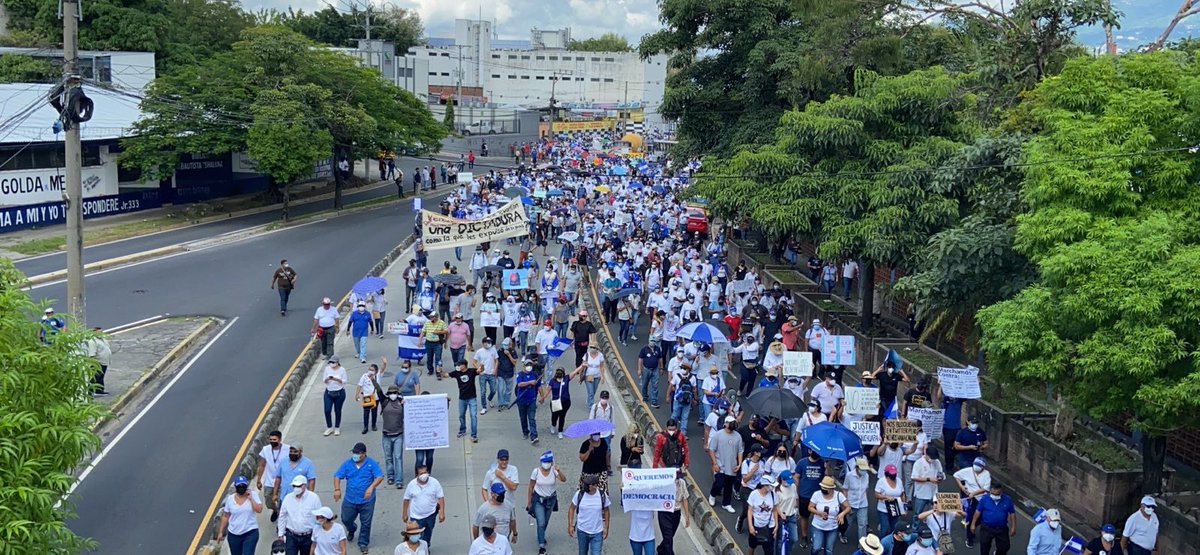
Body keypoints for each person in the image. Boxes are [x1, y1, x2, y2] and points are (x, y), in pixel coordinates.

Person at [333, 442, 384, 554]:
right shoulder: (347, 464)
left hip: (367, 501)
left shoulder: (371, 464)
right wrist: (337, 489)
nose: (355, 455)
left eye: (358, 453)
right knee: (346, 519)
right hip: (350, 499)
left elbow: (379, 476)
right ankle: (352, 529)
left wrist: (371, 488)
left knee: (366, 522)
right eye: (354, 452)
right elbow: (337, 476)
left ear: (364, 454)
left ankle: (363, 543)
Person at [527, 451, 567, 555]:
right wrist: (529, 502)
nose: (546, 464)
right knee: (541, 522)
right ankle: (541, 545)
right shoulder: (536, 472)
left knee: (546, 521)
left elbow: (563, 480)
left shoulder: (554, 471)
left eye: (548, 461)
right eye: (544, 461)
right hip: (539, 500)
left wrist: (559, 471)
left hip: (551, 500)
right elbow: (531, 486)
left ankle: (541, 535)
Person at [216, 476, 263, 555]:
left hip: (250, 532)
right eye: (239, 487)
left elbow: (259, 510)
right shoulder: (230, 499)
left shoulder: (253, 495)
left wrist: (251, 499)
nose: (241, 488)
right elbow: (226, 515)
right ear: (236, 487)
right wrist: (221, 532)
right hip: (234, 534)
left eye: (243, 486)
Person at [277, 475, 322, 555]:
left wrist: (317, 535)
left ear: (305, 485)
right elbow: (282, 516)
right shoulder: (288, 498)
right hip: (291, 536)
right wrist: (280, 533)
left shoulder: (314, 498)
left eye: (298, 486)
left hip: (308, 537)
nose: (296, 488)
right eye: (294, 486)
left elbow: (319, 518)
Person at [402, 466, 445, 548]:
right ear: (417, 475)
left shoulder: (435, 483)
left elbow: (441, 497)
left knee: (428, 533)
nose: (424, 475)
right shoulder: (411, 485)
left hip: (431, 514)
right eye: (421, 473)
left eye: (425, 473)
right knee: (417, 536)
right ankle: (418, 550)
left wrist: (442, 512)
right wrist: (404, 514)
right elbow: (406, 499)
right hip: (416, 516)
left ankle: (426, 547)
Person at [567, 474, 610, 555]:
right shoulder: (579, 494)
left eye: (588, 485)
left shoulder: (602, 495)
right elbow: (572, 508)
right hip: (582, 531)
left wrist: (606, 527)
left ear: (595, 485)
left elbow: (606, 511)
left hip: (597, 532)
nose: (586, 487)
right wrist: (570, 525)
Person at [953, 456, 991, 548]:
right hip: (970, 499)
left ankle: (972, 526)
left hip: (981, 499)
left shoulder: (986, 474)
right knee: (970, 517)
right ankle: (969, 538)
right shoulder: (968, 471)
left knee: (981, 518)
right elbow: (956, 476)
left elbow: (985, 488)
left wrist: (974, 493)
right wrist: (962, 487)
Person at [969, 482, 1016, 555]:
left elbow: (1012, 513)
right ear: (990, 491)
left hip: (1001, 528)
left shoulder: (1007, 499)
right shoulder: (985, 499)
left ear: (1001, 492)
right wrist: (973, 524)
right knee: (984, 547)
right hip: (987, 528)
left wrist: (1013, 527)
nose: (995, 496)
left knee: (1004, 547)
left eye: (997, 494)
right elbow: (978, 512)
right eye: (993, 494)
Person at [809, 475, 851, 555]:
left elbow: (848, 507)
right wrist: (819, 513)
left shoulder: (838, 495)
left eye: (826, 488)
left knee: (829, 550)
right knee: (816, 547)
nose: (823, 490)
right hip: (818, 526)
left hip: (832, 527)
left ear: (832, 488)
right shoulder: (816, 494)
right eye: (822, 487)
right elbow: (810, 507)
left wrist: (842, 514)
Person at [376, 384, 405, 488]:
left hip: (398, 435)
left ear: (398, 394)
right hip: (386, 435)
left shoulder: (402, 402)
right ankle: (390, 476)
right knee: (388, 458)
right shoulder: (385, 401)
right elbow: (378, 390)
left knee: (398, 457)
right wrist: (373, 380)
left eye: (395, 393)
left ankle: (399, 480)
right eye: (391, 393)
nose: (393, 394)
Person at [257, 430, 289, 522]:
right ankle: (275, 510)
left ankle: (282, 520)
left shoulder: (287, 449)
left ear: (280, 439)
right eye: (270, 439)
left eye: (274, 439)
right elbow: (262, 465)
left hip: (283, 482)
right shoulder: (265, 449)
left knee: (281, 502)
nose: (272, 441)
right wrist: (259, 480)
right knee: (268, 501)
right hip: (269, 482)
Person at [657, 469, 691, 555]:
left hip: (676, 513)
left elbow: (685, 498)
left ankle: (660, 550)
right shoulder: (663, 483)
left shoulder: (682, 482)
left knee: (669, 536)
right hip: (664, 513)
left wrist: (687, 516)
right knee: (668, 537)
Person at [843, 457, 874, 544]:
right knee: (848, 523)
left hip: (863, 503)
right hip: (851, 503)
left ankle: (862, 543)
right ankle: (843, 534)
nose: (864, 471)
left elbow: (866, 489)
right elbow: (845, 489)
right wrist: (846, 504)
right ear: (857, 467)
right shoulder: (849, 475)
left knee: (863, 524)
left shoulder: (866, 476)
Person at [747, 474, 780, 555]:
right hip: (756, 525)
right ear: (765, 485)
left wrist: (776, 525)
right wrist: (751, 526)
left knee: (769, 550)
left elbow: (774, 510)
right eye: (771, 486)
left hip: (769, 526)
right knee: (752, 545)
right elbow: (750, 511)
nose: (772, 488)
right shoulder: (754, 494)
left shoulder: (773, 495)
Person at [909, 445, 943, 525]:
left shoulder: (937, 462)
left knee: (934, 513)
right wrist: (929, 479)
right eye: (931, 458)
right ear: (926, 455)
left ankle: (932, 529)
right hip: (921, 493)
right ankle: (915, 531)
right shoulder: (918, 463)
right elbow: (914, 477)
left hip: (933, 492)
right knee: (918, 514)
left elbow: (941, 473)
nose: (933, 460)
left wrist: (940, 478)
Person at [448, 360, 480, 442]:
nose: (458, 366)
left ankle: (474, 435)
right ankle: (462, 430)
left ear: (464, 365)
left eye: (459, 365)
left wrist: (481, 366)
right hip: (462, 398)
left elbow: (480, 371)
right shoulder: (456, 373)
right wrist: (440, 371)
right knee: (461, 415)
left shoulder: (471, 371)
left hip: (472, 398)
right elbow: (446, 375)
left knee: (473, 416)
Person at [667, 363, 698, 436]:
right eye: (682, 368)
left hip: (688, 400)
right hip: (677, 400)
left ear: (688, 370)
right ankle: (671, 430)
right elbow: (671, 386)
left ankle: (683, 433)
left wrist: (695, 399)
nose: (682, 370)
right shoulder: (676, 376)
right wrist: (668, 396)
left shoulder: (693, 378)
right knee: (675, 415)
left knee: (685, 417)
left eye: (684, 368)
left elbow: (694, 389)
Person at [875, 464, 906, 538]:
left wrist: (904, 507)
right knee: (885, 528)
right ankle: (882, 544)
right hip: (884, 509)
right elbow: (876, 495)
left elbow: (902, 494)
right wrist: (886, 497)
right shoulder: (881, 481)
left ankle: (892, 544)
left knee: (894, 528)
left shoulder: (899, 481)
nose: (893, 475)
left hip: (896, 508)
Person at [774, 470, 801, 555]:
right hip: (781, 518)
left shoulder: (793, 486)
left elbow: (796, 498)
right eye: (787, 481)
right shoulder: (777, 490)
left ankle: (787, 553)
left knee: (794, 538)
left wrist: (797, 509)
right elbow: (775, 505)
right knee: (780, 540)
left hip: (792, 515)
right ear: (782, 480)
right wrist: (781, 513)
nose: (789, 483)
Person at [516, 362, 543, 444]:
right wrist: (530, 382)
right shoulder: (520, 375)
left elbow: (539, 386)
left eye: (530, 365)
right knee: (523, 417)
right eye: (527, 365)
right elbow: (519, 384)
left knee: (531, 418)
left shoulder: (535, 375)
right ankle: (525, 432)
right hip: (521, 400)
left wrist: (542, 397)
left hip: (532, 400)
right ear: (524, 366)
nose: (529, 367)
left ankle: (534, 436)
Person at [578, 428, 612, 493]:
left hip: (601, 471)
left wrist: (608, 466)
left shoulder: (603, 442)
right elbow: (582, 458)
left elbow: (607, 454)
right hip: (588, 472)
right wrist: (589, 450)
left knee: (602, 492)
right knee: (587, 492)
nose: (597, 435)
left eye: (598, 434)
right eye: (595, 434)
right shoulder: (585, 444)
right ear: (591, 435)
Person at [547, 366, 577, 439]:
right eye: (558, 372)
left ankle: (560, 431)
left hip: (565, 402)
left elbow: (574, 372)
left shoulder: (566, 379)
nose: (559, 373)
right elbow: (548, 390)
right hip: (555, 402)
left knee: (562, 417)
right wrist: (543, 397)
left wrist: (582, 366)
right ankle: (553, 425)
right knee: (554, 416)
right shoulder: (552, 381)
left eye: (561, 372)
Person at [355, 361, 383, 434]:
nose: (370, 371)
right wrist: (357, 394)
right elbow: (359, 385)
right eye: (369, 369)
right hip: (366, 397)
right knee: (366, 412)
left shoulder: (378, 376)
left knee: (374, 412)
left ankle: (373, 425)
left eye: (372, 370)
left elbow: (383, 368)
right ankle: (365, 427)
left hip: (375, 397)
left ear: (376, 371)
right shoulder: (364, 376)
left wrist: (384, 363)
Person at [418, 312, 449, 378]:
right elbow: (423, 332)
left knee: (438, 358)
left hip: (437, 343)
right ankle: (430, 370)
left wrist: (439, 332)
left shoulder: (441, 323)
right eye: (430, 317)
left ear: (436, 317)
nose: (431, 318)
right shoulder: (427, 323)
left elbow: (446, 331)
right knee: (429, 358)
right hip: (429, 343)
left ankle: (438, 371)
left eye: (432, 317)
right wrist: (419, 341)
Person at [323, 357, 348, 437]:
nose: (332, 364)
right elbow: (324, 380)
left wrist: (336, 379)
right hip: (329, 392)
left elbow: (345, 381)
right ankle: (329, 427)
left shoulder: (342, 370)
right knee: (327, 410)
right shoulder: (327, 369)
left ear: (337, 362)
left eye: (333, 362)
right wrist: (328, 379)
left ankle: (337, 427)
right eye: (331, 362)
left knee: (337, 410)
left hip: (339, 393)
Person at [475, 338, 500, 413]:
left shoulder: (493, 350)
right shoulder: (479, 351)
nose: (489, 344)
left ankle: (490, 398)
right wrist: (479, 370)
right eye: (487, 342)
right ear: (483, 343)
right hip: (483, 374)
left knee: (493, 390)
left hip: (491, 373)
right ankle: (484, 407)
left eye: (489, 342)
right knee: (483, 391)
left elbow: (497, 361)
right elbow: (474, 362)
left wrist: (495, 370)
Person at [85, 327, 112, 395]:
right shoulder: (92, 342)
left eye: (101, 332)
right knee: (96, 377)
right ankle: (93, 391)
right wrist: (94, 363)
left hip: (104, 362)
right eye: (99, 332)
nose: (101, 333)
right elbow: (92, 353)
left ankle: (99, 390)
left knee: (101, 377)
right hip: (98, 362)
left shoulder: (103, 340)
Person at [638, 342, 664, 409]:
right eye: (651, 341)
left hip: (655, 370)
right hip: (646, 369)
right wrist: (639, 369)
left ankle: (654, 400)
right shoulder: (644, 349)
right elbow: (640, 359)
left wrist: (661, 367)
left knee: (655, 385)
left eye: (653, 341)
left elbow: (660, 358)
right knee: (644, 384)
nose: (652, 343)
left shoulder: (657, 349)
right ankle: (645, 396)